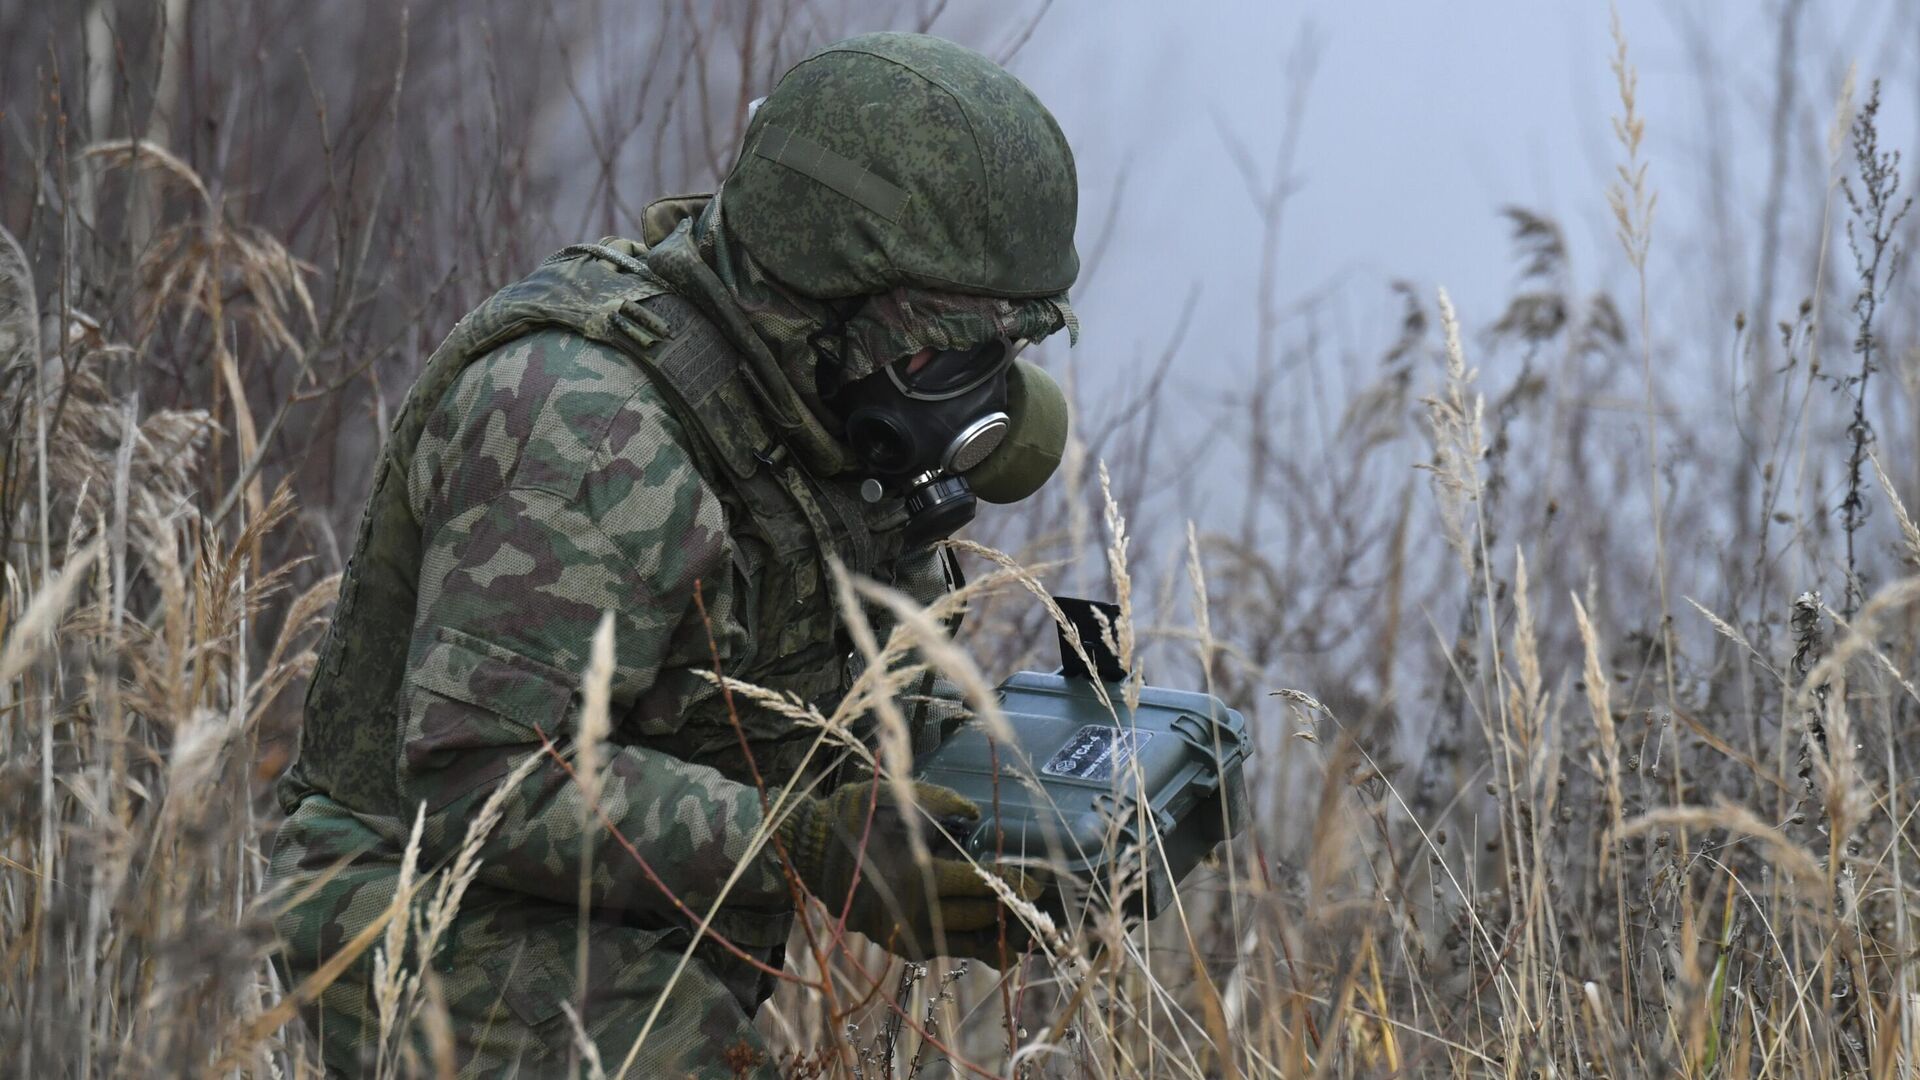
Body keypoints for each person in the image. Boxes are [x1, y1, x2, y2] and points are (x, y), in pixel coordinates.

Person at [269, 31, 1080, 1078]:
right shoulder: (587, 429)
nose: (987, 397)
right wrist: (809, 848)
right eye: (965, 348)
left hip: (633, 907)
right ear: (840, 302)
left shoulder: (819, 409)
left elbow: (849, 704)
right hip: (422, 907)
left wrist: (1022, 801)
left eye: (1009, 353)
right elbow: (482, 778)